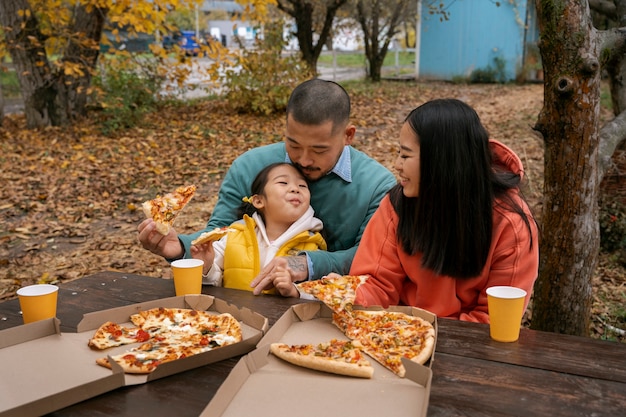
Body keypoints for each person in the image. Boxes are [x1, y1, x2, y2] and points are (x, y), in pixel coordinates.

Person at [138, 79, 397, 294]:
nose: (304, 160)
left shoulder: (377, 186)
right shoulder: (249, 167)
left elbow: (373, 258)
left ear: (348, 135)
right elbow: (219, 236)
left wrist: (306, 263)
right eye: (293, 145)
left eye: (319, 150)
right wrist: (181, 248)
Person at [345, 98, 539, 323]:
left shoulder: (510, 224)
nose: (397, 164)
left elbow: (494, 318)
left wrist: (426, 339)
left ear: (441, 161)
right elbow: (376, 282)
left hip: (467, 346)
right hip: (397, 334)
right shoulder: (398, 205)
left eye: (406, 155)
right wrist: (347, 295)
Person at [192, 162, 326, 298]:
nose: (295, 189)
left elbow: (322, 294)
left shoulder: (312, 247)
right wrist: (207, 266)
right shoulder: (235, 235)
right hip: (232, 317)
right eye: (283, 182)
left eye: (302, 185)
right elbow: (214, 282)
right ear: (258, 201)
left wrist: (294, 292)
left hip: (282, 318)